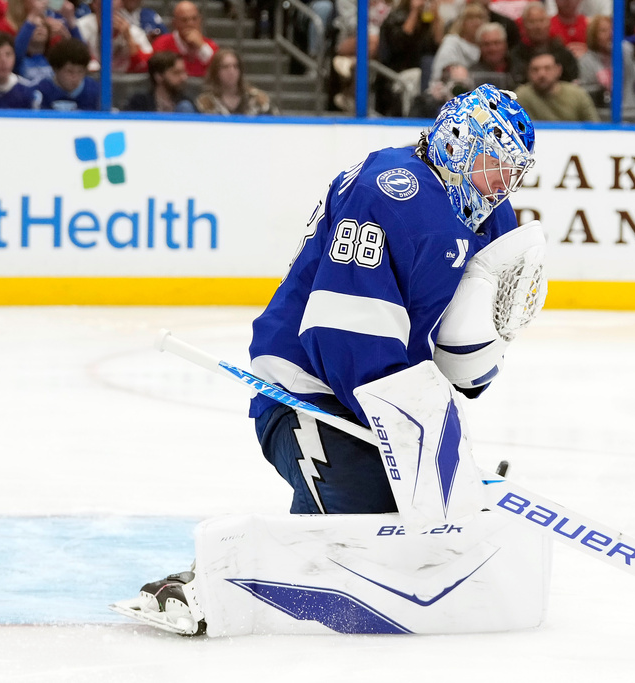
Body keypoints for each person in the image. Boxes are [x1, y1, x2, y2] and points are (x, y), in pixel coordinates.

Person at [125, 85, 543, 635]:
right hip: (310, 391)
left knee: (425, 531)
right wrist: (409, 437)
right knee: (368, 520)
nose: (502, 184)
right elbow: (342, 332)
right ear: (459, 145)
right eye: (495, 164)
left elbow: (459, 353)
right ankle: (206, 583)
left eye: (513, 172)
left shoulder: (489, 213)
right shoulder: (390, 191)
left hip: (387, 399)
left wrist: (476, 364)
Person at [515, 48, 600, 121]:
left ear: (558, 70)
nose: (541, 74)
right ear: (528, 73)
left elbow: (595, 127)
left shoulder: (577, 94)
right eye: (535, 70)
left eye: (547, 68)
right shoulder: (520, 97)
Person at [509, 2, 579, 85]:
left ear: (549, 23)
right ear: (524, 26)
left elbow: (572, 80)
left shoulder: (562, 52)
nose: (538, 26)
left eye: (541, 21)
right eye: (532, 22)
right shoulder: (516, 54)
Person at [195, 48, 278, 115]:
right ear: (216, 72)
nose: (231, 71)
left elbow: (275, 125)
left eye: (235, 66)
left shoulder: (258, 100)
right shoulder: (206, 103)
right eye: (225, 67)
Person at [77, 0, 152, 73]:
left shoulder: (134, 33)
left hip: (127, 84)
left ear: (121, 4)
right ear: (94, 4)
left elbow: (146, 65)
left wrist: (129, 39)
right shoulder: (81, 27)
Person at [150, 0, 218, 77]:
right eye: (184, 20)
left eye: (194, 19)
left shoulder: (210, 46)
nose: (190, 24)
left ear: (200, 20)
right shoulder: (161, 44)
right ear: (174, 23)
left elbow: (219, 73)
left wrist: (201, 47)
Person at [35, 37, 99, 110]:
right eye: (69, 71)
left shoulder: (94, 91)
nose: (75, 77)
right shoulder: (42, 91)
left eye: (80, 71)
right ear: (56, 69)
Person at [429, 3, 488, 83]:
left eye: (480, 17)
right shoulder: (452, 42)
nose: (476, 22)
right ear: (462, 23)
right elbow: (441, 75)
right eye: (471, 18)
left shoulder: (488, 45)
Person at [123, 50, 196, 112]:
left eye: (184, 72)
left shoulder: (187, 102)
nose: (184, 77)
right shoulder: (139, 102)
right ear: (159, 76)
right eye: (176, 73)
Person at [409, 61, 475, 117]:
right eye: (457, 87)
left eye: (465, 87)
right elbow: (411, 124)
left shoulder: (475, 106)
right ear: (444, 85)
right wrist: (432, 101)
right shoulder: (423, 104)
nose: (461, 93)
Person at [576, 13, 612, 108]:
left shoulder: (624, 57)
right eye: (603, 30)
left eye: (612, 29)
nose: (610, 34)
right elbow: (586, 93)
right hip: (598, 109)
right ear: (594, 35)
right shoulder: (586, 61)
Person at [469, 21, 516, 89]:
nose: (492, 49)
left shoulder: (521, 70)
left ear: (505, 44)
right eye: (486, 44)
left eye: (497, 43)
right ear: (479, 47)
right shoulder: (472, 75)